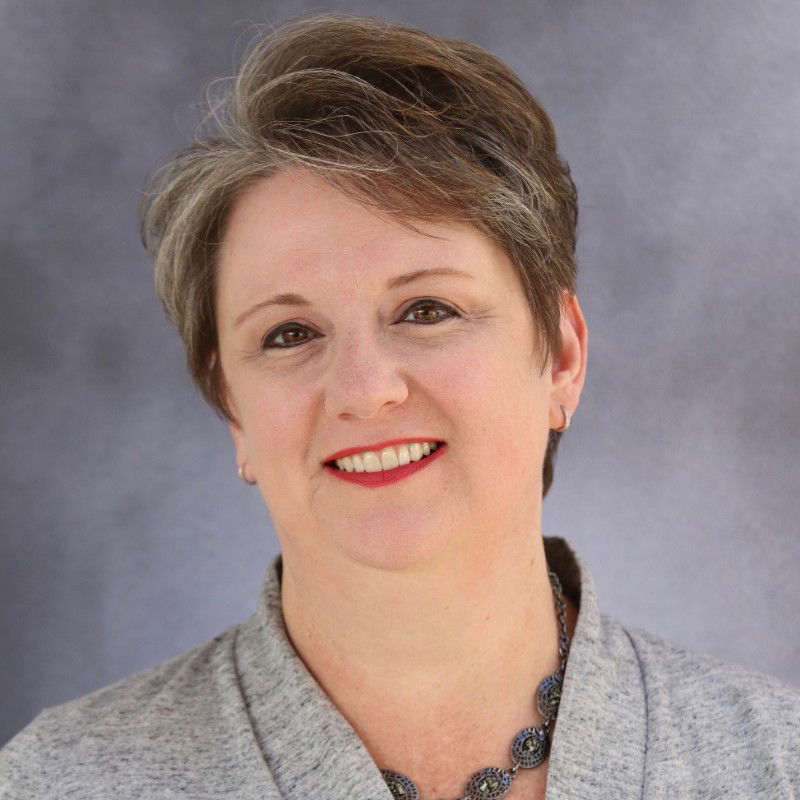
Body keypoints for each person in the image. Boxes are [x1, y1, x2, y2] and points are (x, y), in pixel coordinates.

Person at [1, 12, 798, 800]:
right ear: (235, 412)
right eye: (289, 333)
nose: (363, 391)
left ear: (560, 357)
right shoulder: (59, 781)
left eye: (426, 310)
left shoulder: (776, 763)